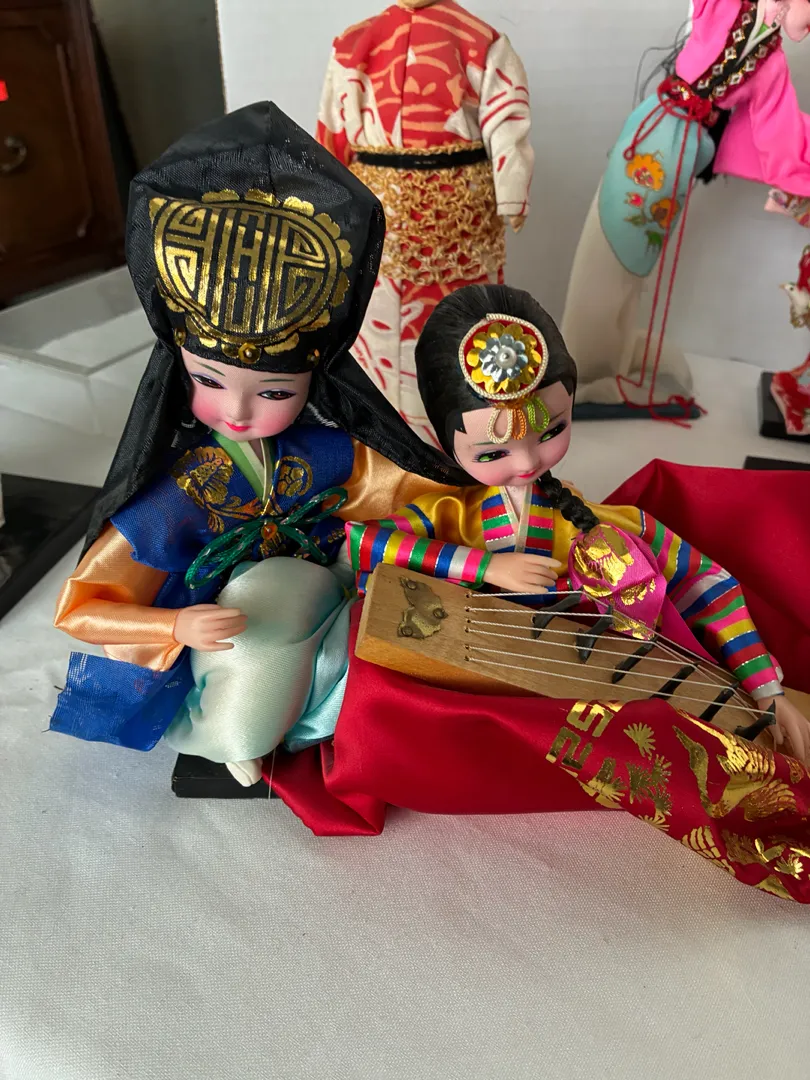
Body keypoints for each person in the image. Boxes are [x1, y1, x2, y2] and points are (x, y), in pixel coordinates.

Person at [50, 102, 468, 786]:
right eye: (208, 381)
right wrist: (176, 629)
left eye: (274, 391)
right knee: (262, 638)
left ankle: (319, 722)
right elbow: (85, 606)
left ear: (317, 383)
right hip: (231, 634)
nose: (238, 411)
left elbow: (419, 495)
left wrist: (496, 498)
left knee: (385, 633)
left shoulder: (327, 454)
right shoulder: (186, 488)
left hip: (325, 606)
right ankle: (228, 732)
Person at [346, 284, 810, 751]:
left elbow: (702, 582)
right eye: (493, 453)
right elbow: (363, 541)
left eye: (552, 431)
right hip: (465, 689)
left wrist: (766, 689)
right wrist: (485, 566)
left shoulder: (598, 527)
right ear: (446, 443)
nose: (527, 462)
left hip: (579, 699)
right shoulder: (453, 515)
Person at [561, 0, 810, 413]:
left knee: (636, 257)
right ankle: (585, 363)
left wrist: (794, 187)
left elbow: (779, 136)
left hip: (686, 151)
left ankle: (609, 358)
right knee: (607, 246)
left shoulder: (772, 67)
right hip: (657, 130)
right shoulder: (725, 7)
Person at [316, 0, 533, 444]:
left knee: (459, 320)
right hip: (378, 204)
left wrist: (511, 189)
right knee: (373, 315)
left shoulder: (479, 39)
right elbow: (333, 124)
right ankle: (379, 434)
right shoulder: (356, 41)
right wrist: (325, 195)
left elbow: (507, 118)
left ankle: (465, 434)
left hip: (457, 212)